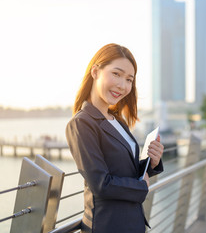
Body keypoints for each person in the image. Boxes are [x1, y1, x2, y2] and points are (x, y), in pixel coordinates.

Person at [66, 43, 164, 233]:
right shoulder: (82, 123)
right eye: (116, 74)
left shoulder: (117, 120)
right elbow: (101, 184)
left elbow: (125, 171)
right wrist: (141, 186)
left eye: (129, 79)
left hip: (132, 223)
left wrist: (151, 162)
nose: (122, 85)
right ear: (95, 71)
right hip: (108, 226)